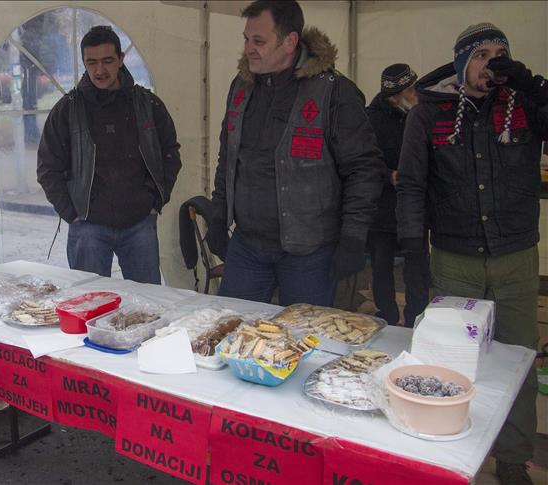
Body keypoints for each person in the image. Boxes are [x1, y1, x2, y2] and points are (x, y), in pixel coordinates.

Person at [396, 23, 547, 485]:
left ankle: (512, 457)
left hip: (515, 254)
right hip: (454, 257)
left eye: (500, 53)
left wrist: (533, 86)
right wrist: (411, 251)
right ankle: (452, 448)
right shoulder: (428, 113)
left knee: (518, 359)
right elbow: (412, 186)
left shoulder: (524, 106)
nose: (492, 63)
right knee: (452, 361)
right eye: (481, 54)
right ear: (462, 63)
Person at [206, 0, 384, 306]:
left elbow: (363, 169)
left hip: (309, 252)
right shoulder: (241, 87)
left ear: (290, 42)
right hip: (248, 244)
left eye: (259, 41)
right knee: (228, 330)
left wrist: (354, 236)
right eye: (246, 39)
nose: (249, 48)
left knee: (305, 342)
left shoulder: (333, 92)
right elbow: (230, 157)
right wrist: (219, 214)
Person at [37, 25, 182, 284]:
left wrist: (155, 202)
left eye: (107, 61)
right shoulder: (67, 110)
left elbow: (170, 153)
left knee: (149, 305)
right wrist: (71, 213)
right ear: (83, 62)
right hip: (88, 227)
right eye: (91, 62)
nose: (100, 70)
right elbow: (48, 168)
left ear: (121, 60)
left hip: (140, 223)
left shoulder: (148, 105)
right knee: (89, 306)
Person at [365, 64, 430, 327]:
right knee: (382, 267)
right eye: (411, 89)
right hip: (382, 209)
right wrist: (387, 174)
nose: (417, 94)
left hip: (413, 209)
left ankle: (417, 317)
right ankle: (388, 317)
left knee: (417, 267)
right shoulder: (370, 118)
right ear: (395, 95)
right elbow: (364, 159)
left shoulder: (422, 115)